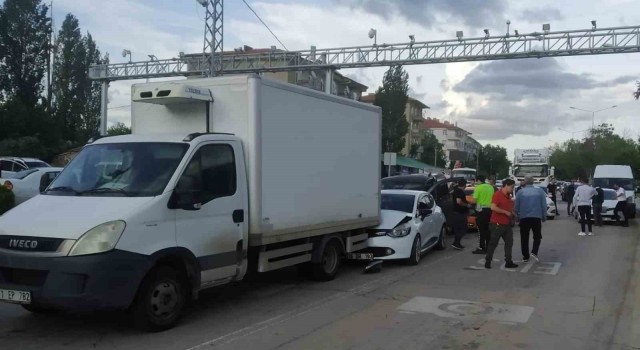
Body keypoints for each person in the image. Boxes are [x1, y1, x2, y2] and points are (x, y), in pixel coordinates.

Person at [485, 178, 518, 269]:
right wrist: (505, 212)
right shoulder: (497, 195)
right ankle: (488, 261)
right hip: (497, 224)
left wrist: (513, 213)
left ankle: (508, 261)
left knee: (509, 242)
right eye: (511, 187)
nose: (512, 189)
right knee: (493, 243)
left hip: (506, 224)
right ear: (506, 185)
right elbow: (493, 207)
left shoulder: (508, 196)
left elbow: (509, 208)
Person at [515, 175, 547, 263]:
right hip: (536, 217)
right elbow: (544, 205)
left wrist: (517, 216)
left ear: (525, 182)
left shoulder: (520, 192)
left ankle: (525, 256)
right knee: (537, 236)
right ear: (533, 181)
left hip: (524, 217)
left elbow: (516, 206)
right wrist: (544, 216)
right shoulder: (539, 191)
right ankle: (534, 252)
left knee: (524, 237)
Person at [471, 175, 494, 255]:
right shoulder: (491, 187)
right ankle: (488, 247)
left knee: (481, 230)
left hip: (481, 211)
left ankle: (481, 247)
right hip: (490, 210)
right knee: (488, 230)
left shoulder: (478, 188)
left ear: (478, 180)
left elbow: (474, 201)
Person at [451, 178, 472, 250]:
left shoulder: (456, 190)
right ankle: (456, 243)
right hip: (460, 213)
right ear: (464, 185)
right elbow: (459, 201)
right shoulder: (459, 191)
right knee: (463, 229)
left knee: (458, 229)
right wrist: (467, 205)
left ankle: (457, 243)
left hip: (457, 213)